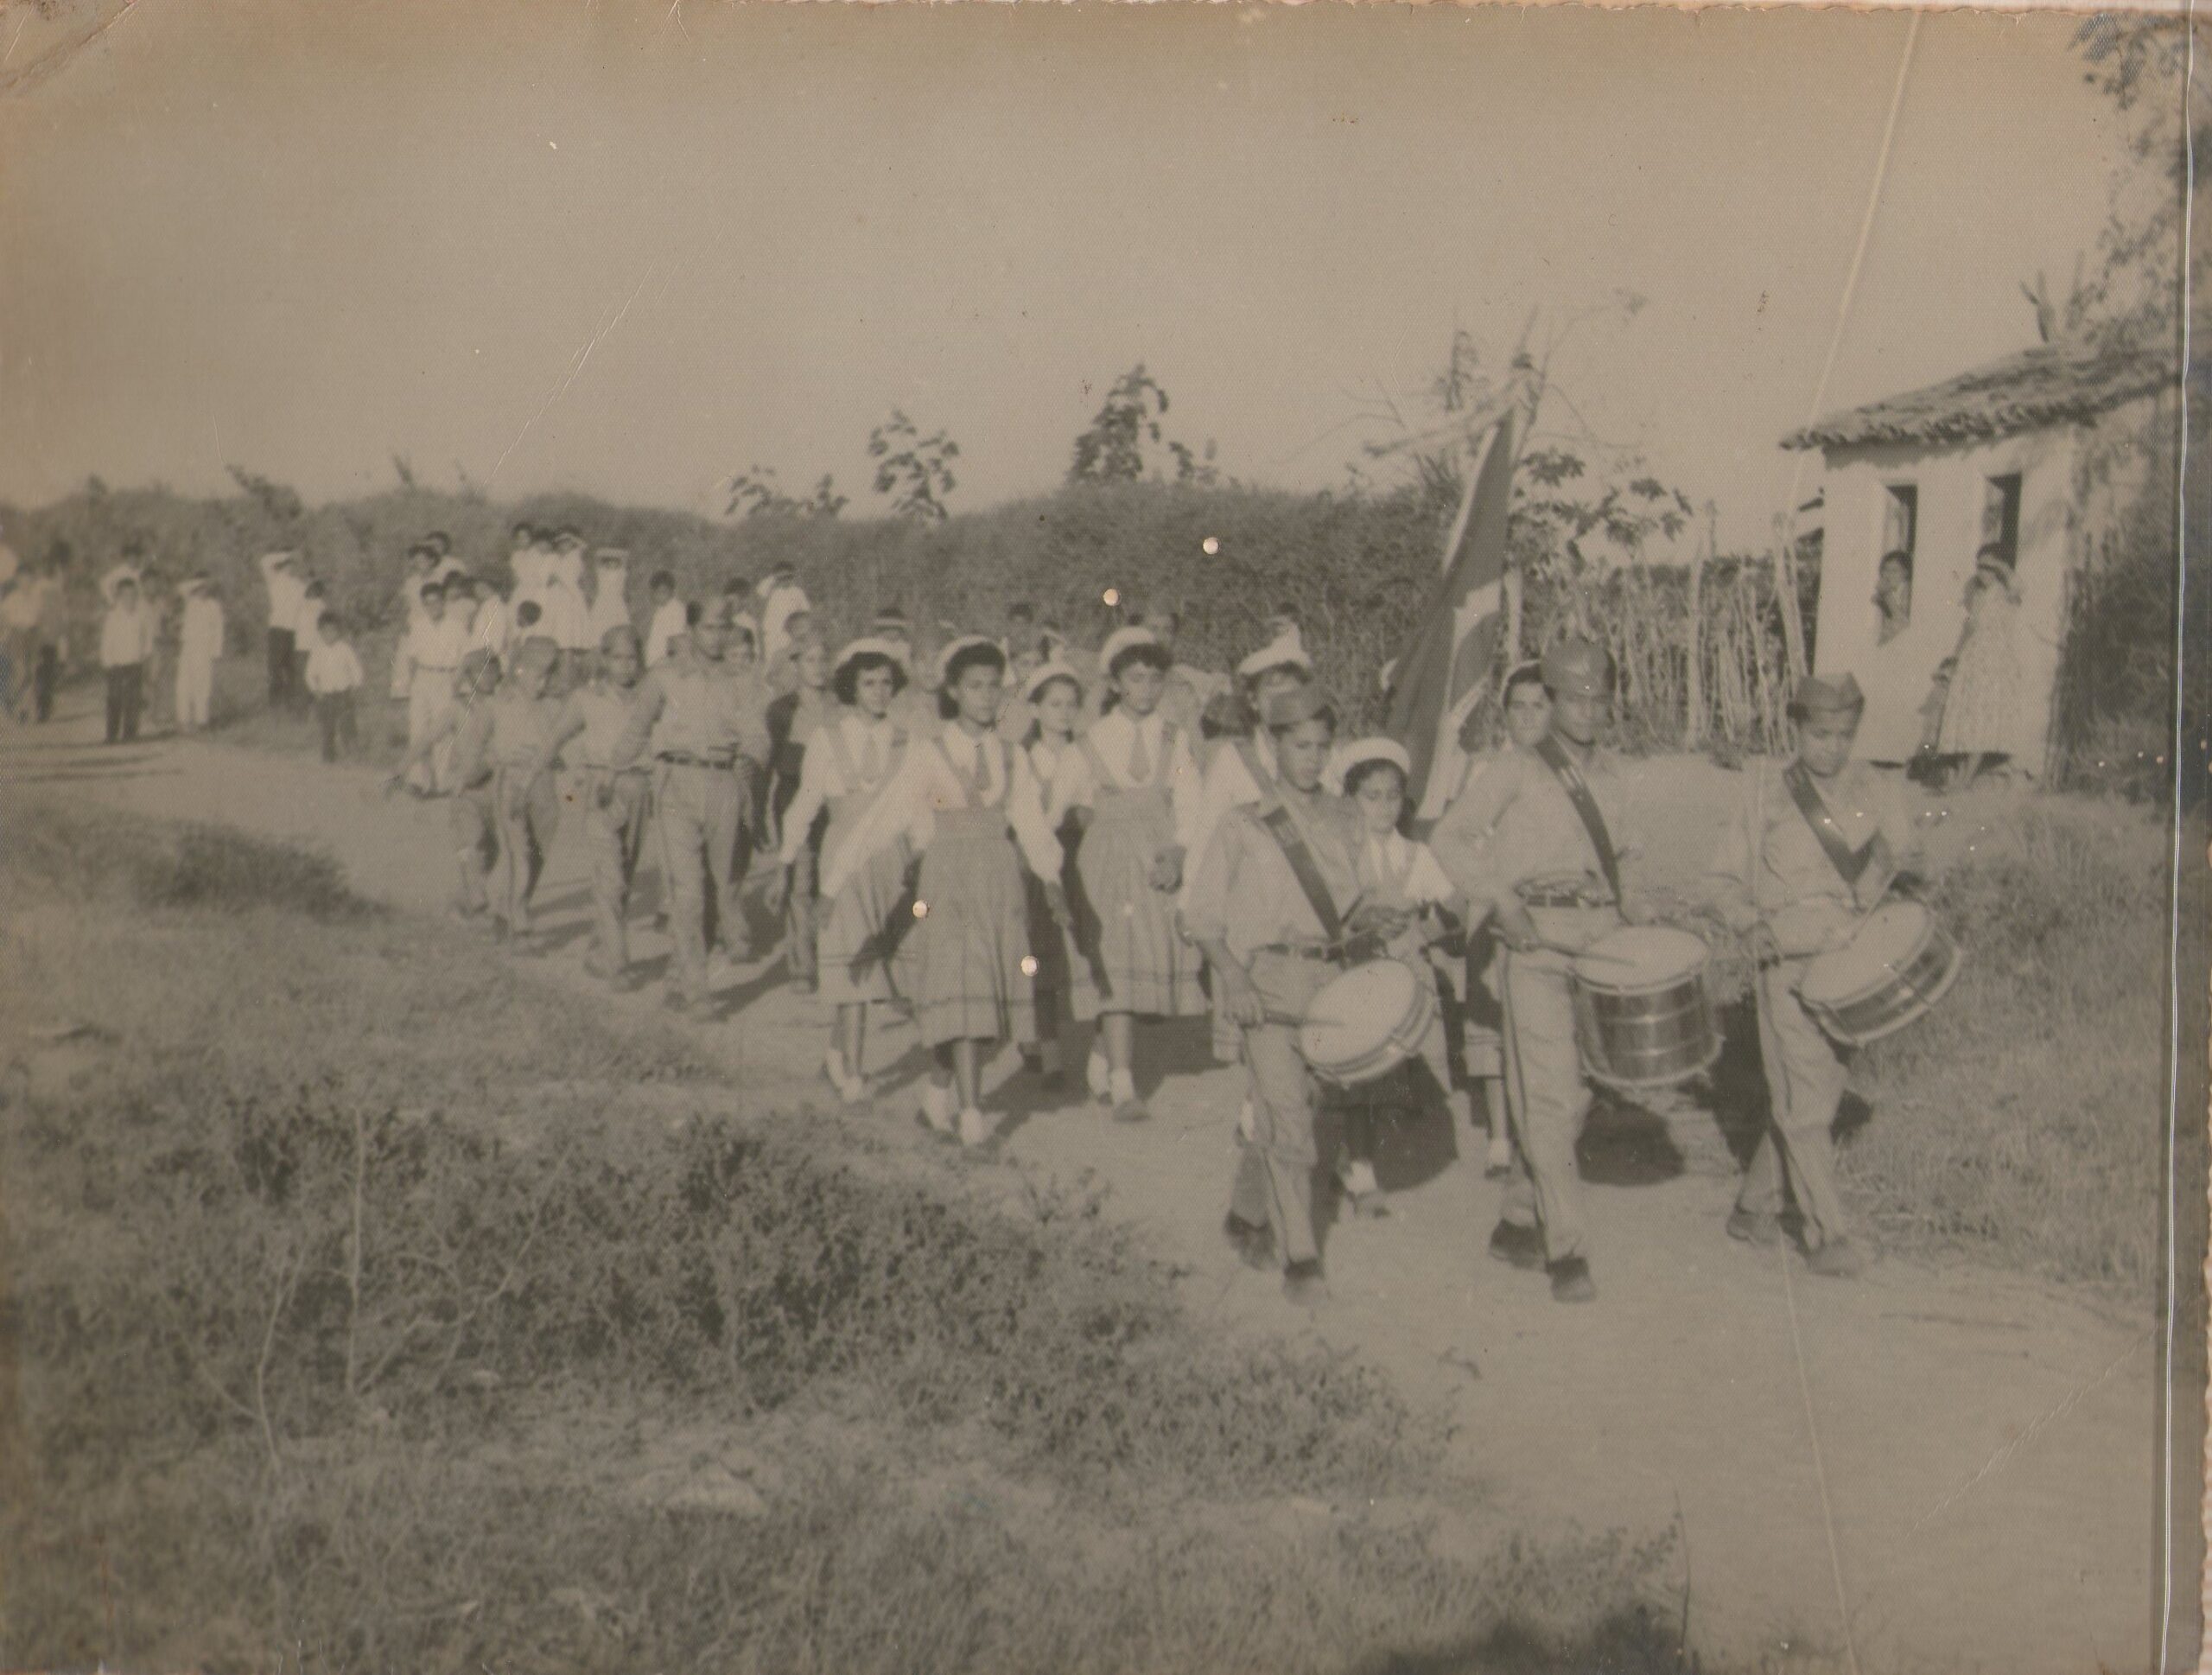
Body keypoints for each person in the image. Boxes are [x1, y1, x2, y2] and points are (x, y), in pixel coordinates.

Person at [1429, 636, 1649, 1305]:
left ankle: (1518, 1217)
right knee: (1551, 1099)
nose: (1588, 712)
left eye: (1600, 700)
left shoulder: (1614, 775)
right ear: (1550, 700)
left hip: (1600, 942)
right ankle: (1567, 1249)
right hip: (1535, 947)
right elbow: (1449, 836)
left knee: (1575, 1097)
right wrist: (1500, 900)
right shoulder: (1517, 769)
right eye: (1574, 700)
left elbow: (1629, 859)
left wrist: (1641, 915)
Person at [1703, 673, 1923, 1278]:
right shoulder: (1765, 793)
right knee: (1806, 1107)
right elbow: (1719, 882)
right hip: (1787, 963)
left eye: (1844, 735)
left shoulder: (1876, 788)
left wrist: (1903, 872)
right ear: (1796, 728)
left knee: (1814, 1099)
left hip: (1853, 969)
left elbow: (1905, 867)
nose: (1832, 747)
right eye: (1820, 734)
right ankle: (1829, 1235)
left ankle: (1753, 1208)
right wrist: (1750, 925)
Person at [817, 637, 1060, 1146]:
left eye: (994, 687)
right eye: (974, 686)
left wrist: (1052, 879)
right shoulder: (929, 753)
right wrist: (834, 885)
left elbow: (1033, 825)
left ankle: (936, 1097)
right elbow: (881, 821)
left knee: (984, 999)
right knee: (964, 992)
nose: (986, 697)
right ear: (953, 691)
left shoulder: (1013, 755)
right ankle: (972, 1118)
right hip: (947, 884)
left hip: (999, 885)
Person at [1185, 683, 1359, 1307]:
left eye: (1321, 747)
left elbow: (1361, 902)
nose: (1312, 759)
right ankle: (1302, 1261)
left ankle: (1246, 1211)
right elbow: (1202, 918)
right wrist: (1233, 978)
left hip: (1333, 985)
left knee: (1308, 1107)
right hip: (1267, 986)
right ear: (1272, 745)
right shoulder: (1245, 824)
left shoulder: (1347, 818)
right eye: (1300, 746)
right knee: (1288, 1119)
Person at [1039, 627, 1209, 1122]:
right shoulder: (1089, 742)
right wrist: (1060, 844)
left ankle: (1103, 1055)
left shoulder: (1174, 739)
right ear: (1115, 683)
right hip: (1106, 867)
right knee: (1116, 965)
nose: (1146, 689)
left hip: (1156, 863)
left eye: (1155, 679)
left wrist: (1178, 853)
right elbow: (1052, 810)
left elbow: (1192, 804)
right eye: (1135, 679)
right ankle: (1122, 1084)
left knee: (1140, 967)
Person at [765, 639, 917, 1099]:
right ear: (851, 687)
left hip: (893, 861)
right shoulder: (827, 738)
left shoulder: (906, 739)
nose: (879, 692)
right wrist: (784, 864)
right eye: (868, 683)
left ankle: (835, 1057)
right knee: (853, 965)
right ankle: (853, 1075)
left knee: (881, 966)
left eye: (886, 683)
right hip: (842, 862)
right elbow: (805, 805)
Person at [610, 597, 773, 1013]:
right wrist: (612, 776)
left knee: (718, 889)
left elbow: (758, 736)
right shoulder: (665, 676)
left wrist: (751, 760)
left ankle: (678, 976)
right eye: (708, 628)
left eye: (723, 628)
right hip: (676, 783)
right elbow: (636, 729)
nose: (716, 637)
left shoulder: (743, 681)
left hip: (724, 783)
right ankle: (698, 989)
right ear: (691, 631)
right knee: (687, 891)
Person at [1332, 737, 1471, 1216]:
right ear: (1351, 800)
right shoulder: (1341, 857)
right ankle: (1361, 1171)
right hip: (1358, 977)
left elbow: (1457, 904)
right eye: (1372, 796)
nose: (1384, 807)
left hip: (1407, 981)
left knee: (1395, 1079)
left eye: (1393, 796)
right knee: (1359, 1079)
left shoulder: (1416, 855)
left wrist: (1426, 931)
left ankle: (1361, 1158)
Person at [1459, 660, 1551, 1178]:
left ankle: (1540, 1130)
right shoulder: (1484, 771)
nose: (1529, 716)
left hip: (1547, 909)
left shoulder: (1563, 771)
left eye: (1540, 705)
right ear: (1505, 713)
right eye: (1519, 707)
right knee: (1491, 1019)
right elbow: (1464, 840)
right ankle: (1499, 1135)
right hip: (1494, 904)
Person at [527, 626, 651, 984]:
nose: (625, 666)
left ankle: (600, 949)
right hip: (601, 790)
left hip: (640, 788)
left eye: (632, 658)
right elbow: (554, 739)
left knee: (623, 876)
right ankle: (617, 964)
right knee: (609, 877)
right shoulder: (586, 698)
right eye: (618, 658)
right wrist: (530, 778)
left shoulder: (650, 697)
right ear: (604, 659)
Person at [448, 636, 564, 945]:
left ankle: (509, 908)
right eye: (540, 675)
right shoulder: (497, 705)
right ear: (521, 670)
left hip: (544, 788)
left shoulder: (554, 707)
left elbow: (565, 749)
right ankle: (518, 923)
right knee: (518, 854)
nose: (545, 683)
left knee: (537, 853)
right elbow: (475, 746)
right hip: (509, 784)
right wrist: (468, 776)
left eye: (550, 675)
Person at [1014, 659, 1087, 1087]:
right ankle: (1047, 1048)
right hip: (1032, 864)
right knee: (1037, 954)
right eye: (1054, 704)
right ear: (1035, 709)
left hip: (1078, 858)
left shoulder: (1086, 754)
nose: (1064, 713)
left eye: (1071, 704)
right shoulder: (1022, 758)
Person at [390, 650, 505, 920]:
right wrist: (402, 768)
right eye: (481, 672)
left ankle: (463, 901)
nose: (488, 677)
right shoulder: (457, 709)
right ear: (469, 676)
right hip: (464, 787)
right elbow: (427, 738)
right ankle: (476, 895)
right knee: (470, 840)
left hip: (495, 787)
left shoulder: (504, 707)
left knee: (493, 849)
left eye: (492, 671)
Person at [763, 634, 836, 991]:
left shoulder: (841, 706)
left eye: (823, 659)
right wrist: (760, 810)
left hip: (834, 802)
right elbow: (769, 762)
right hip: (794, 798)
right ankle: (803, 965)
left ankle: (833, 957)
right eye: (809, 660)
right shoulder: (781, 711)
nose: (818, 667)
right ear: (795, 665)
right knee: (800, 882)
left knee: (832, 877)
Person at [1933, 545, 2027, 787]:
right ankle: (1960, 776)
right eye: (1979, 566)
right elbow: (1969, 630)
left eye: (1988, 567)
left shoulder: (2005, 592)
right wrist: (1954, 658)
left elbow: (2018, 587)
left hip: (1994, 661)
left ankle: (1965, 780)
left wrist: (2002, 567)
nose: (1982, 572)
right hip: (1973, 658)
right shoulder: (1978, 595)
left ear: (2000, 569)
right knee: (1967, 716)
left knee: (1982, 719)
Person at [392, 581, 474, 795]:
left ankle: (441, 783)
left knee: (442, 732)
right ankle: (419, 781)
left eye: (436, 602)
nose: (433, 607)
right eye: (428, 603)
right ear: (423, 605)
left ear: (444, 602)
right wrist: (412, 684)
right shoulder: (418, 626)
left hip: (446, 678)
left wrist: (457, 681)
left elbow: (467, 656)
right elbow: (411, 657)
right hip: (423, 677)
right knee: (418, 729)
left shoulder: (456, 627)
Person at [99, 573, 155, 743]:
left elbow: (148, 637)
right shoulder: (113, 616)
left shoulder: (140, 616)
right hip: (116, 664)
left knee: (133, 700)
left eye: (133, 595)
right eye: (126, 595)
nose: (130, 599)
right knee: (114, 699)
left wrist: (146, 654)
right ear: (119, 597)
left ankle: (130, 733)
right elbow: (107, 640)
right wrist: (107, 662)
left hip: (135, 662)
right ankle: (111, 734)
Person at [302, 609, 365, 762]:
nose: (329, 635)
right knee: (327, 727)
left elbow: (355, 668)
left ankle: (352, 754)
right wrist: (315, 690)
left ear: (338, 631)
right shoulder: (317, 651)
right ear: (320, 632)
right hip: (326, 695)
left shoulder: (345, 649)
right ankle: (329, 756)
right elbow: (309, 674)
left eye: (332, 631)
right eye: (325, 631)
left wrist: (356, 685)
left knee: (348, 724)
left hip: (344, 693)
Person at [168, 575, 225, 734]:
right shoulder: (190, 601)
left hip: (205, 648)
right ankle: (184, 720)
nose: (203, 590)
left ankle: (202, 720)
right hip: (188, 647)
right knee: (184, 684)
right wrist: (197, 582)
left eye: (206, 587)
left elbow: (219, 629)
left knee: (203, 684)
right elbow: (181, 588)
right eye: (200, 587)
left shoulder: (214, 605)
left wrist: (216, 651)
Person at [258, 550, 308, 711]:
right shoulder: (275, 579)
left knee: (292, 669)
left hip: (294, 631)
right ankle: (275, 704)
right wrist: (287, 555)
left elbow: (305, 609)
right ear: (282, 564)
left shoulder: (300, 585)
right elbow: (264, 561)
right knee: (275, 668)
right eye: (287, 563)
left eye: (292, 564)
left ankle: (291, 704)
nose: (290, 567)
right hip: (277, 629)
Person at [759, 560, 810, 661]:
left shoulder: (797, 592)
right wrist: (774, 577)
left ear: (793, 577)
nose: (786, 581)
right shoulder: (772, 591)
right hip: (772, 633)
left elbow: (805, 612)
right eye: (782, 578)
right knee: (772, 659)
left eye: (789, 577)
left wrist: (801, 630)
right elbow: (760, 591)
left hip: (790, 633)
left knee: (790, 659)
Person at [585, 547, 633, 648]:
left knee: (617, 624)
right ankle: (599, 645)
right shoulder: (602, 572)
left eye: (615, 562)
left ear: (619, 563)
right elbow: (598, 556)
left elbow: (625, 557)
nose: (612, 564)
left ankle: (617, 645)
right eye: (609, 562)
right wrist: (608, 553)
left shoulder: (621, 573)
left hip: (617, 602)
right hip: (603, 602)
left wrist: (616, 553)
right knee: (600, 624)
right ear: (605, 563)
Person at [645, 570, 687, 667]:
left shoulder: (676, 610)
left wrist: (669, 664)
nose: (659, 596)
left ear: (672, 592)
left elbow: (677, 641)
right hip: (655, 661)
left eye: (663, 592)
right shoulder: (660, 610)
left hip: (667, 663)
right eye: (656, 593)